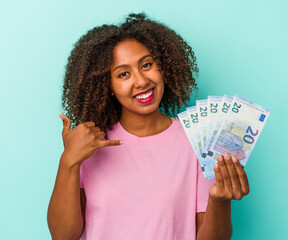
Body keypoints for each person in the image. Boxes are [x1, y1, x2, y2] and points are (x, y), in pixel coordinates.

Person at [47, 13, 250, 240]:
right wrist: (68, 162)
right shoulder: (90, 145)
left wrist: (220, 201)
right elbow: (62, 236)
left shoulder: (199, 140)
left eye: (146, 65)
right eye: (124, 74)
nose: (141, 81)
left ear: (163, 67)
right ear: (108, 86)